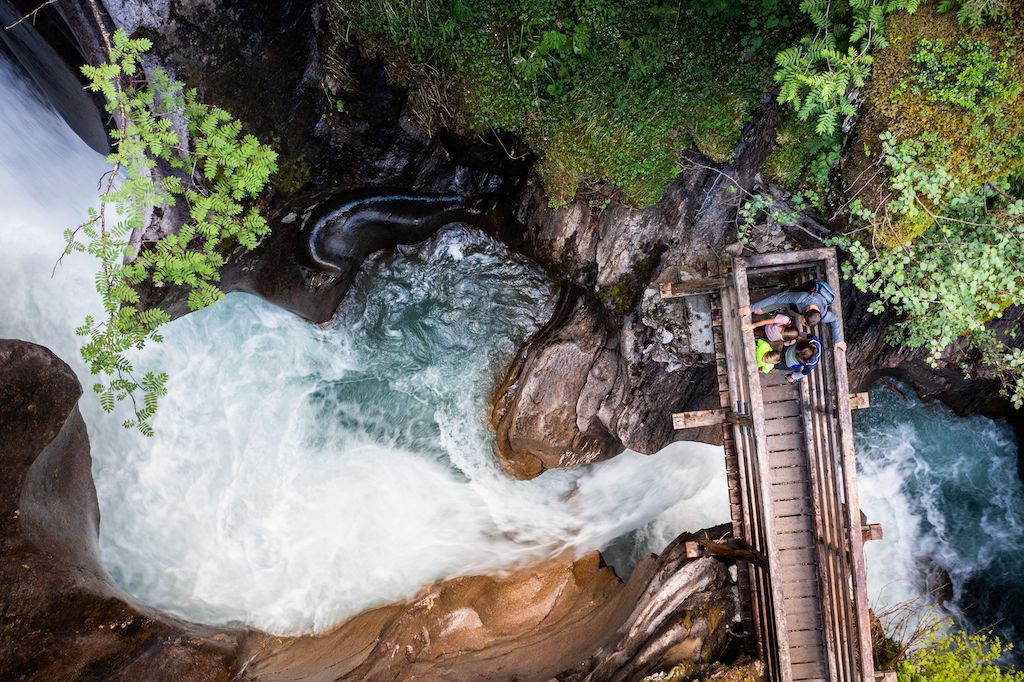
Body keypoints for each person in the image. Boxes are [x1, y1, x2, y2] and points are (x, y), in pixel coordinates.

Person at [739, 280, 846, 352]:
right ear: (807, 310)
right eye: (803, 321)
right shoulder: (801, 297)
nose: (800, 322)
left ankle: (782, 311)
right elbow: (775, 299)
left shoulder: (823, 315)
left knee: (789, 313)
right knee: (758, 311)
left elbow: (835, 320)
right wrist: (750, 308)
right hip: (790, 300)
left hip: (796, 309)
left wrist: (839, 340)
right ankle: (777, 309)